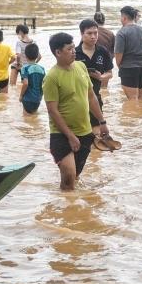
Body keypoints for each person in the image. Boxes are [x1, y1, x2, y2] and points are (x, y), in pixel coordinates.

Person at [43, 32, 109, 191]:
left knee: (75, 176)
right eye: (69, 49)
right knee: (68, 176)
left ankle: (72, 205)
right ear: (58, 52)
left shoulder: (81, 67)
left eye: (74, 47)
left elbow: (91, 97)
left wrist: (102, 122)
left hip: (85, 131)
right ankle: (66, 204)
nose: (74, 51)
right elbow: (52, 111)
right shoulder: (51, 77)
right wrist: (70, 136)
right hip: (61, 134)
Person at [76, 19, 114, 127]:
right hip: (77, 99)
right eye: (89, 33)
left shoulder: (102, 51)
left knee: (97, 130)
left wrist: (101, 77)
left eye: (95, 33)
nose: (93, 36)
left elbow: (110, 73)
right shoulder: (75, 52)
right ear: (82, 34)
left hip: (96, 97)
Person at [114, 5, 142, 99]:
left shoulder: (121, 32)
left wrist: (119, 65)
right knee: (139, 98)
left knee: (132, 99)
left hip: (129, 68)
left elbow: (118, 53)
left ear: (124, 18)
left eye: (121, 17)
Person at [19, 43, 45, 114]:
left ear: (26, 55)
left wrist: (21, 96)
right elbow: (44, 84)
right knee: (34, 117)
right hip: (37, 99)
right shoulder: (42, 69)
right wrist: (41, 95)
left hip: (27, 98)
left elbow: (25, 83)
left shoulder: (25, 68)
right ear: (37, 55)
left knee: (26, 118)